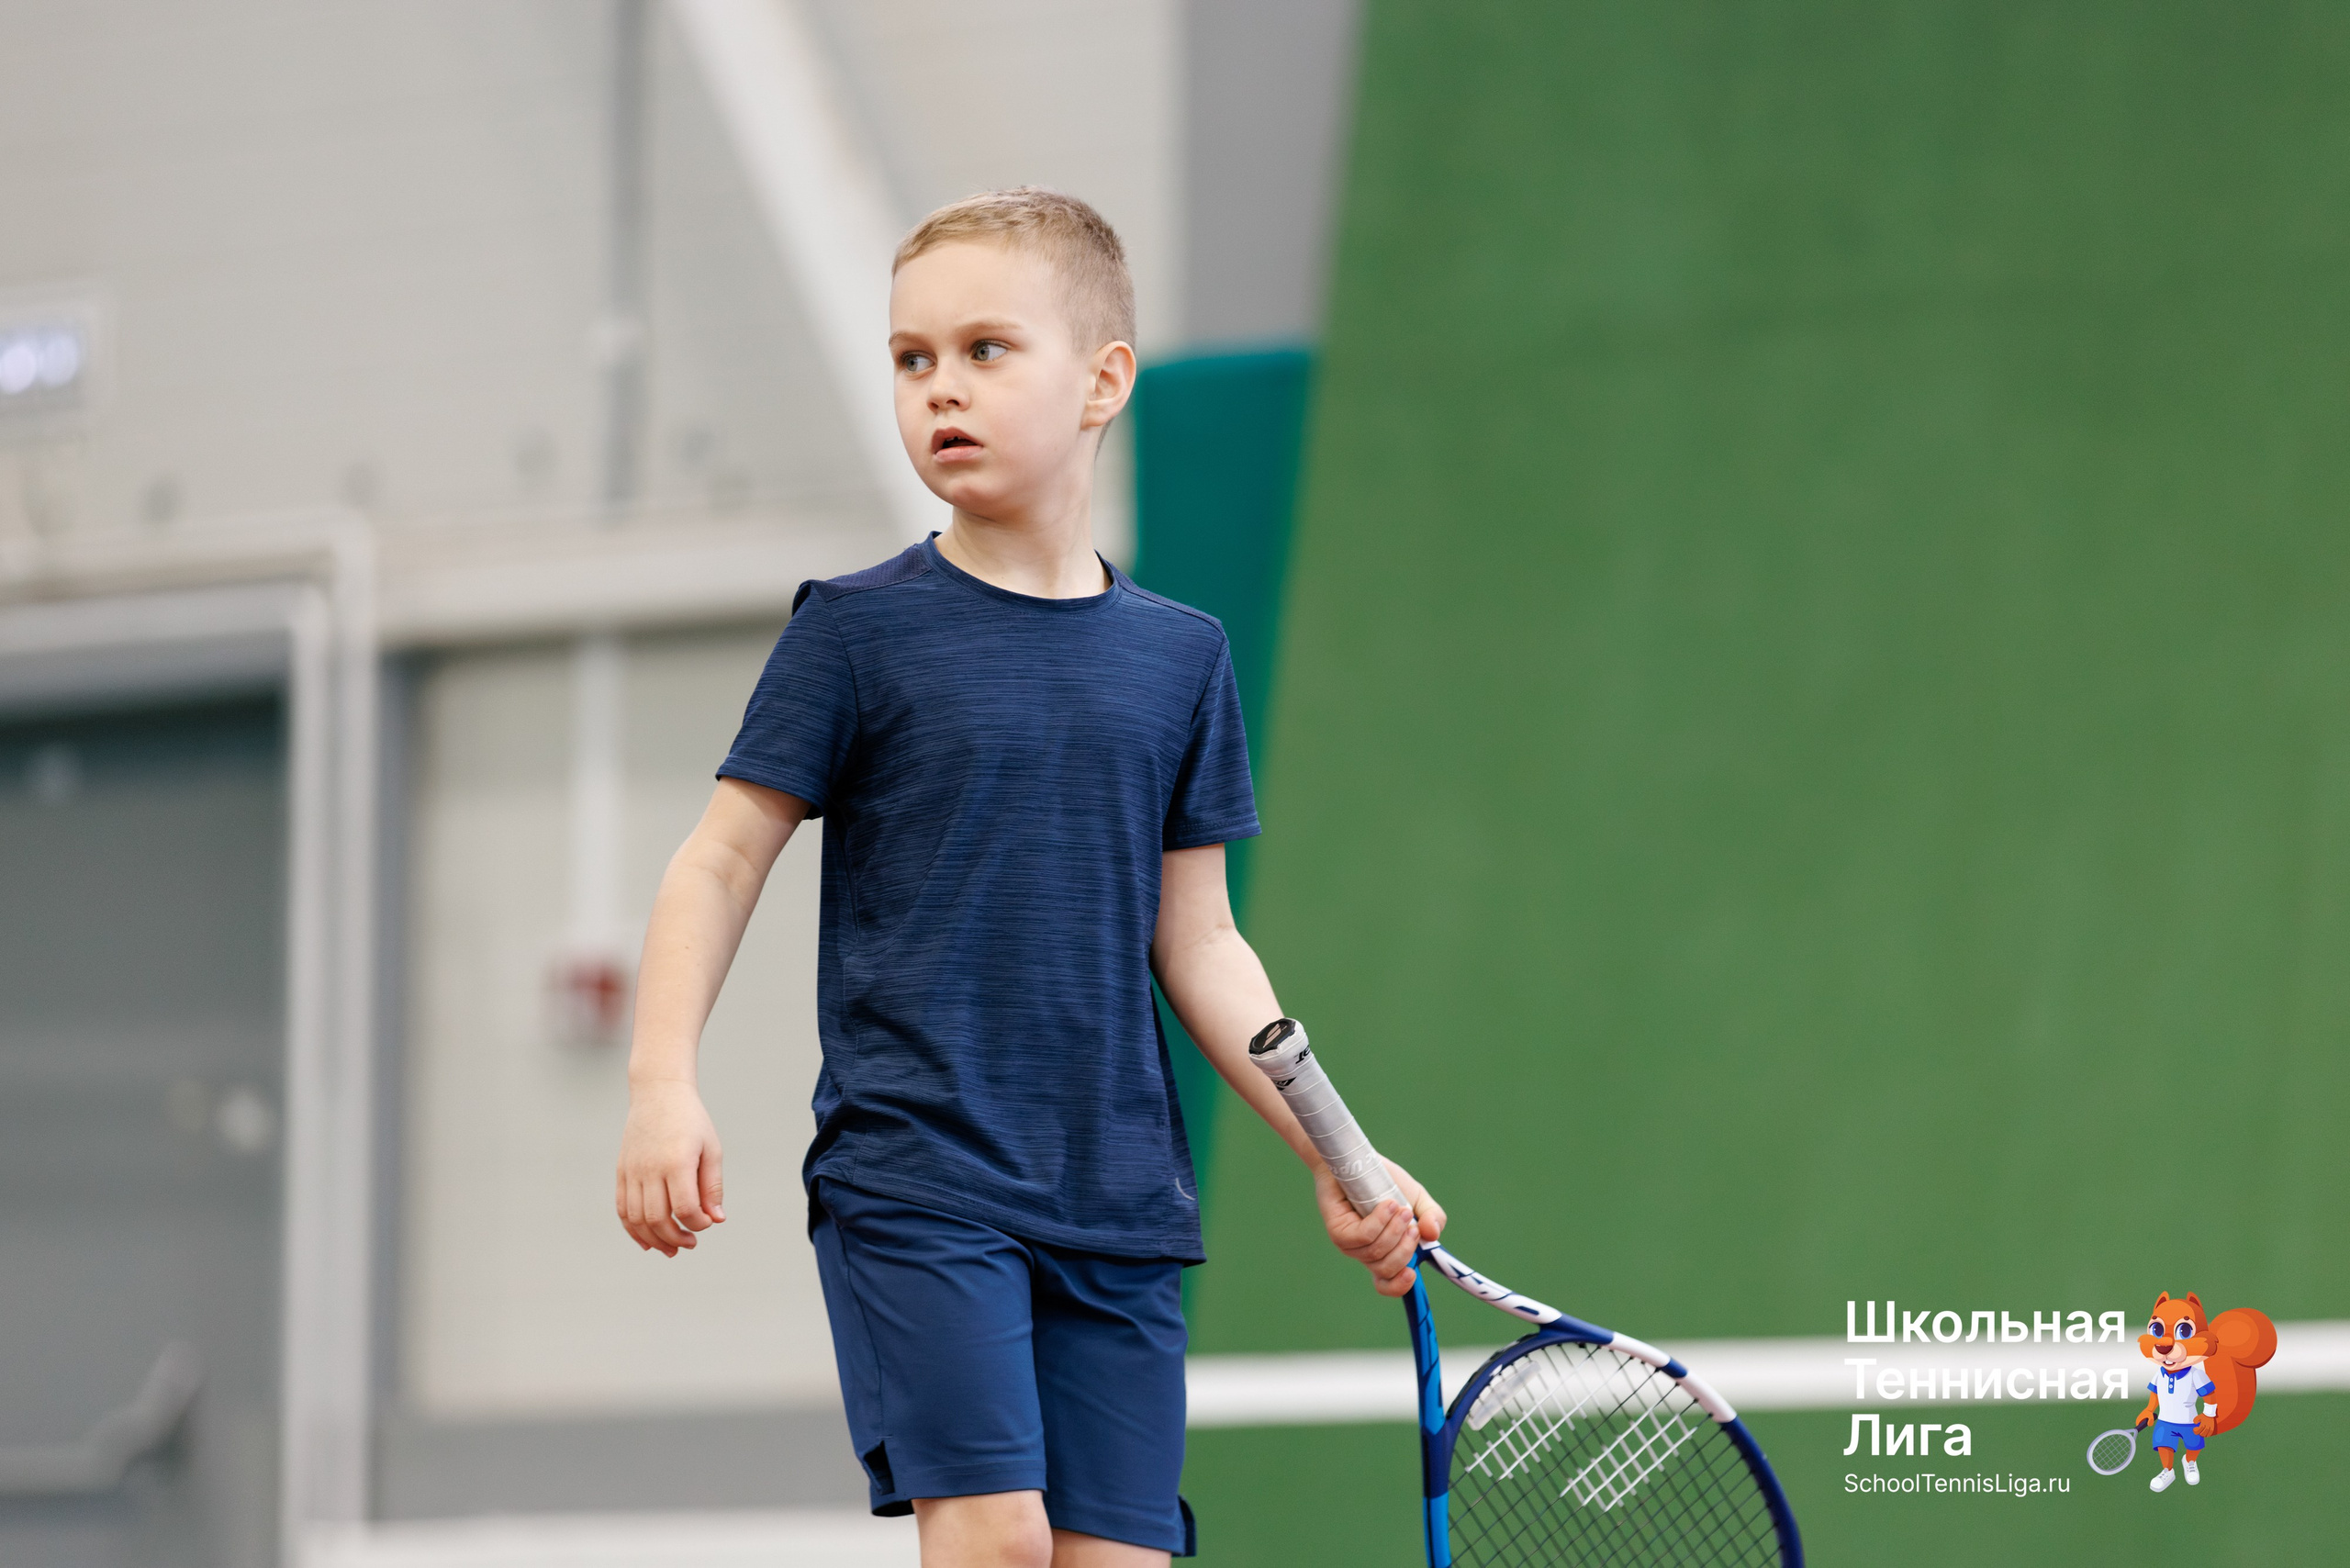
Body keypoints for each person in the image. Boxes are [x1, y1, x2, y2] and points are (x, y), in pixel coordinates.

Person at [614, 186, 1445, 1568]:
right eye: (912, 359)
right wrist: (660, 1082)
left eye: (986, 350)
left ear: (1105, 379)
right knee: (996, 1539)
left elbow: (1204, 942)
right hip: (924, 1176)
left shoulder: (1182, 660)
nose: (940, 387)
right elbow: (719, 861)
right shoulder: (856, 636)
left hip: (1120, 1203)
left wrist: (1337, 1153)